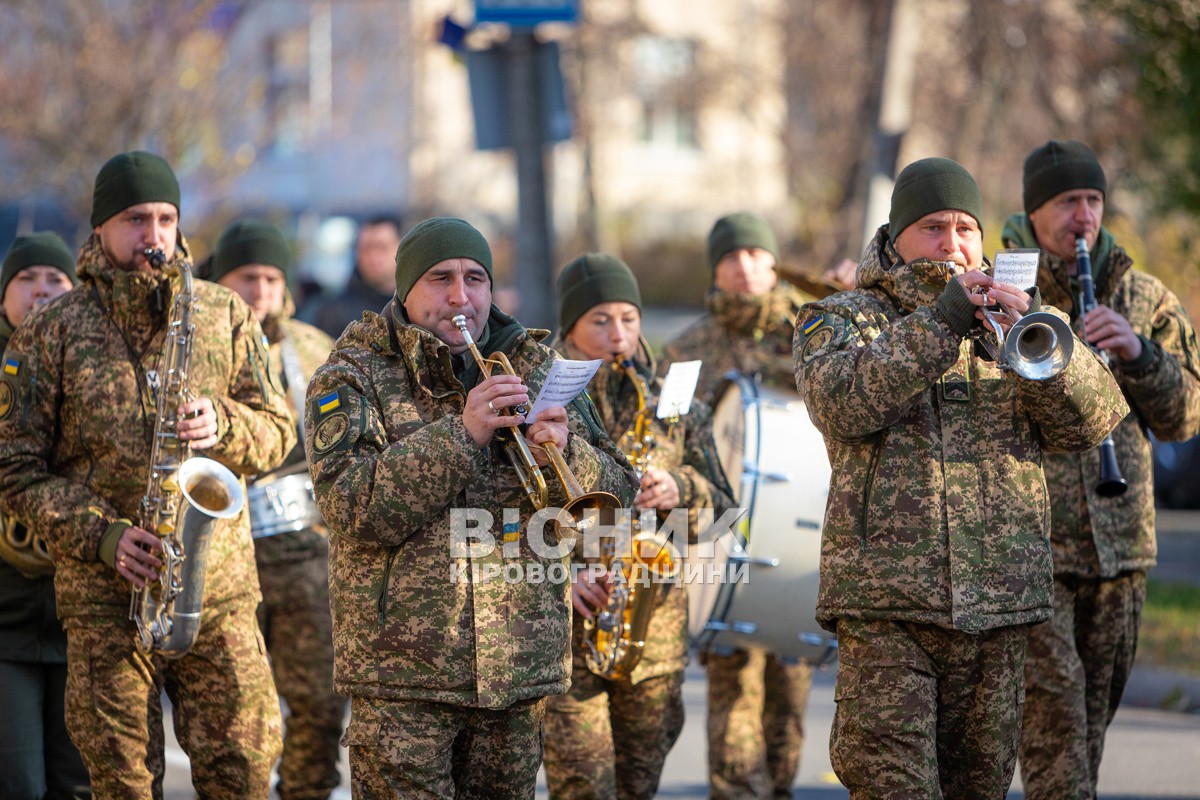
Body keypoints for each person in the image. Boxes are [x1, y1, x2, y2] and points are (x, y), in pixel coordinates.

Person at [793, 157, 1129, 798]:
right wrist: (940, 323)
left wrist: (1044, 346)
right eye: (933, 228)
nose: (952, 245)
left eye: (966, 229)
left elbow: (1092, 424)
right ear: (896, 239)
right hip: (888, 612)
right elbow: (841, 402)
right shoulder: (838, 318)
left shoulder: (1022, 318)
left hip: (999, 613)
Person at [304, 217, 638, 798]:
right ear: (405, 290)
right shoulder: (353, 373)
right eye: (440, 279)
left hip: (516, 674)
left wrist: (569, 451)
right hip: (404, 683)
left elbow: (618, 496)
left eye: (475, 279)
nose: (461, 297)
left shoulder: (535, 366)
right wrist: (464, 433)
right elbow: (352, 505)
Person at [0, 151, 295, 798]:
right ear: (101, 227)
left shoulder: (222, 313)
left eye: (166, 218)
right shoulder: (53, 330)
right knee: (120, 782)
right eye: (136, 219)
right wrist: (104, 537)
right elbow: (15, 469)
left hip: (216, 594)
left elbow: (279, 431)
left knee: (243, 771)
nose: (155, 236)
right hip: (107, 599)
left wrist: (222, 423)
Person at [1001, 140, 1200, 800]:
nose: (1082, 216)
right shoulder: (1004, 286)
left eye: (1092, 200)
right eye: (1066, 202)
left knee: (1090, 727)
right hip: (1033, 548)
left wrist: (1142, 354)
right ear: (1034, 212)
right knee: (1054, 729)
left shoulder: (1143, 294)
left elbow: (1186, 419)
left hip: (1120, 546)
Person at [543, 253, 735, 800]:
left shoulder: (672, 404)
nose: (619, 335)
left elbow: (721, 507)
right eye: (600, 320)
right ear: (571, 327)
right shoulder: (543, 402)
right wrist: (559, 576)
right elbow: (503, 511)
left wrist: (682, 489)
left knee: (639, 785)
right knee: (583, 783)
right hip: (563, 633)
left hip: (652, 636)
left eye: (629, 318)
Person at [658, 211, 817, 800]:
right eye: (730, 259)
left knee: (788, 705)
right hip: (720, 534)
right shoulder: (688, 347)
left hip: (800, 533)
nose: (743, 267)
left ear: (774, 263)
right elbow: (665, 432)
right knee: (732, 695)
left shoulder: (816, 324)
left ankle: (776, 790)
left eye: (754, 255)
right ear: (716, 272)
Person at [208, 220, 347, 800]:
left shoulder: (315, 347)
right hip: (221, 551)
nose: (261, 290)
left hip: (307, 553)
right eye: (247, 277)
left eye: (271, 277)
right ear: (221, 282)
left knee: (319, 701)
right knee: (233, 716)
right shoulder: (197, 347)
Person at [0, 232, 90, 800]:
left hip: (80, 616)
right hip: (5, 620)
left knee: (78, 782)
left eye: (55, 279)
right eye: (25, 279)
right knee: (20, 785)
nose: (40, 291)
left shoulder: (93, 366)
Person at [303, 215, 402, 339]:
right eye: (366, 248)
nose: (374, 256)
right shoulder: (335, 313)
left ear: (402, 249)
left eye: (382, 247)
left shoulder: (416, 305)